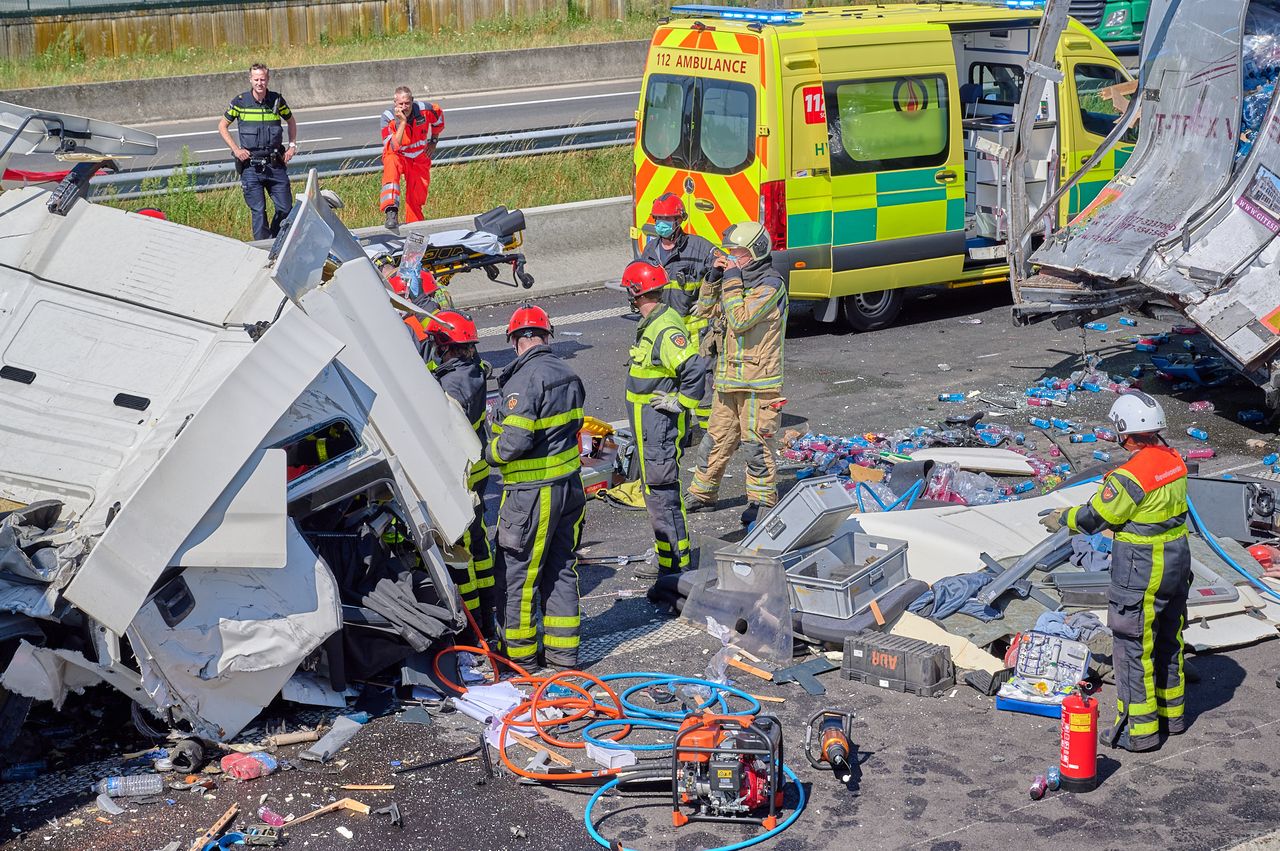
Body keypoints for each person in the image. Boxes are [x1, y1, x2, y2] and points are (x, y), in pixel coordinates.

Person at [1040, 391, 1190, 752]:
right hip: (1176, 559)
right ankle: (1174, 716)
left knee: (1132, 645)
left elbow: (1096, 517)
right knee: (1169, 638)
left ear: (1125, 431)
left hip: (1141, 567)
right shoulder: (1174, 461)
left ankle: (1137, 732)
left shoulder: (1130, 475)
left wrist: (1062, 517)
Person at [485, 304, 587, 669]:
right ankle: (564, 657)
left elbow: (512, 444)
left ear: (515, 341)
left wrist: (488, 452)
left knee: (518, 578)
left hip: (531, 495)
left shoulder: (524, 380)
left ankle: (521, 661)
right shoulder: (569, 374)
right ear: (547, 335)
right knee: (561, 569)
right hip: (570, 488)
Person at [685, 222, 786, 528]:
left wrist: (729, 279)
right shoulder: (734, 281)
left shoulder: (770, 285)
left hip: (759, 382)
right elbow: (701, 312)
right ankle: (702, 494)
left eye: (738, 253)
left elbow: (740, 319)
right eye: (729, 253)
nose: (732, 259)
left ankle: (762, 502)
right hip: (729, 378)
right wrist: (713, 280)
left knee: (756, 444)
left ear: (756, 251)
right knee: (715, 439)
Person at [620, 260, 707, 579]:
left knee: (662, 494)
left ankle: (674, 564)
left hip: (658, 431)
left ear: (636, 293)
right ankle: (670, 558)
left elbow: (694, 368)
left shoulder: (664, 328)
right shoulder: (655, 320)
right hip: (650, 431)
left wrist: (681, 402)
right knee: (657, 494)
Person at [425, 310, 497, 641]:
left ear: (445, 344)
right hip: (476, 470)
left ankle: (471, 628)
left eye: (437, 342)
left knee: (462, 548)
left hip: (460, 476)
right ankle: (488, 610)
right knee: (478, 542)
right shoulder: (473, 370)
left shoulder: (452, 385)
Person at [639, 193, 721, 470]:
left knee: (701, 382)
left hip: (694, 329)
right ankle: (683, 434)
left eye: (667, 219)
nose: (662, 224)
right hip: (666, 330)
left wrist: (709, 299)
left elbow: (723, 271)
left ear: (680, 220)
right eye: (659, 219)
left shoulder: (699, 249)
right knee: (671, 383)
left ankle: (714, 436)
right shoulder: (650, 252)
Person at [218, 63, 297, 241]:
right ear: (250, 79)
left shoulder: (277, 101)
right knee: (259, 211)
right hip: (251, 168)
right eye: (256, 79)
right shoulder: (240, 102)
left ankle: (278, 242)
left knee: (285, 208)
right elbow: (222, 126)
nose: (259, 83)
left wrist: (292, 146)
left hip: (275, 165)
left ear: (268, 79)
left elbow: (291, 121)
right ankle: (264, 248)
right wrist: (236, 150)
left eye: (263, 79)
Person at [379, 87, 445, 231]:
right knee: (391, 161)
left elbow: (438, 118)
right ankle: (391, 211)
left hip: (419, 158)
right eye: (401, 104)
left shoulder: (426, 109)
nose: (404, 107)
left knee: (416, 198)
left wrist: (433, 141)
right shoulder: (388, 117)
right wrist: (402, 122)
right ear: (395, 103)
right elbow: (392, 146)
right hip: (399, 156)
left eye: (407, 103)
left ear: (412, 101)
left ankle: (416, 231)